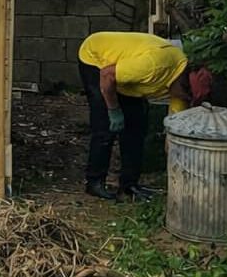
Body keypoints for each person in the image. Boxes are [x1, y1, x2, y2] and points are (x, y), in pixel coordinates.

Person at [77, 31, 214, 201]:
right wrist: (113, 110)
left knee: (137, 127)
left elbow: (172, 132)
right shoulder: (153, 66)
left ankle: (129, 186)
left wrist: (178, 167)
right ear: (182, 84)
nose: (184, 100)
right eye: (187, 97)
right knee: (104, 126)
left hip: (126, 75)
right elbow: (107, 76)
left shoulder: (180, 85)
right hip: (96, 57)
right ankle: (94, 182)